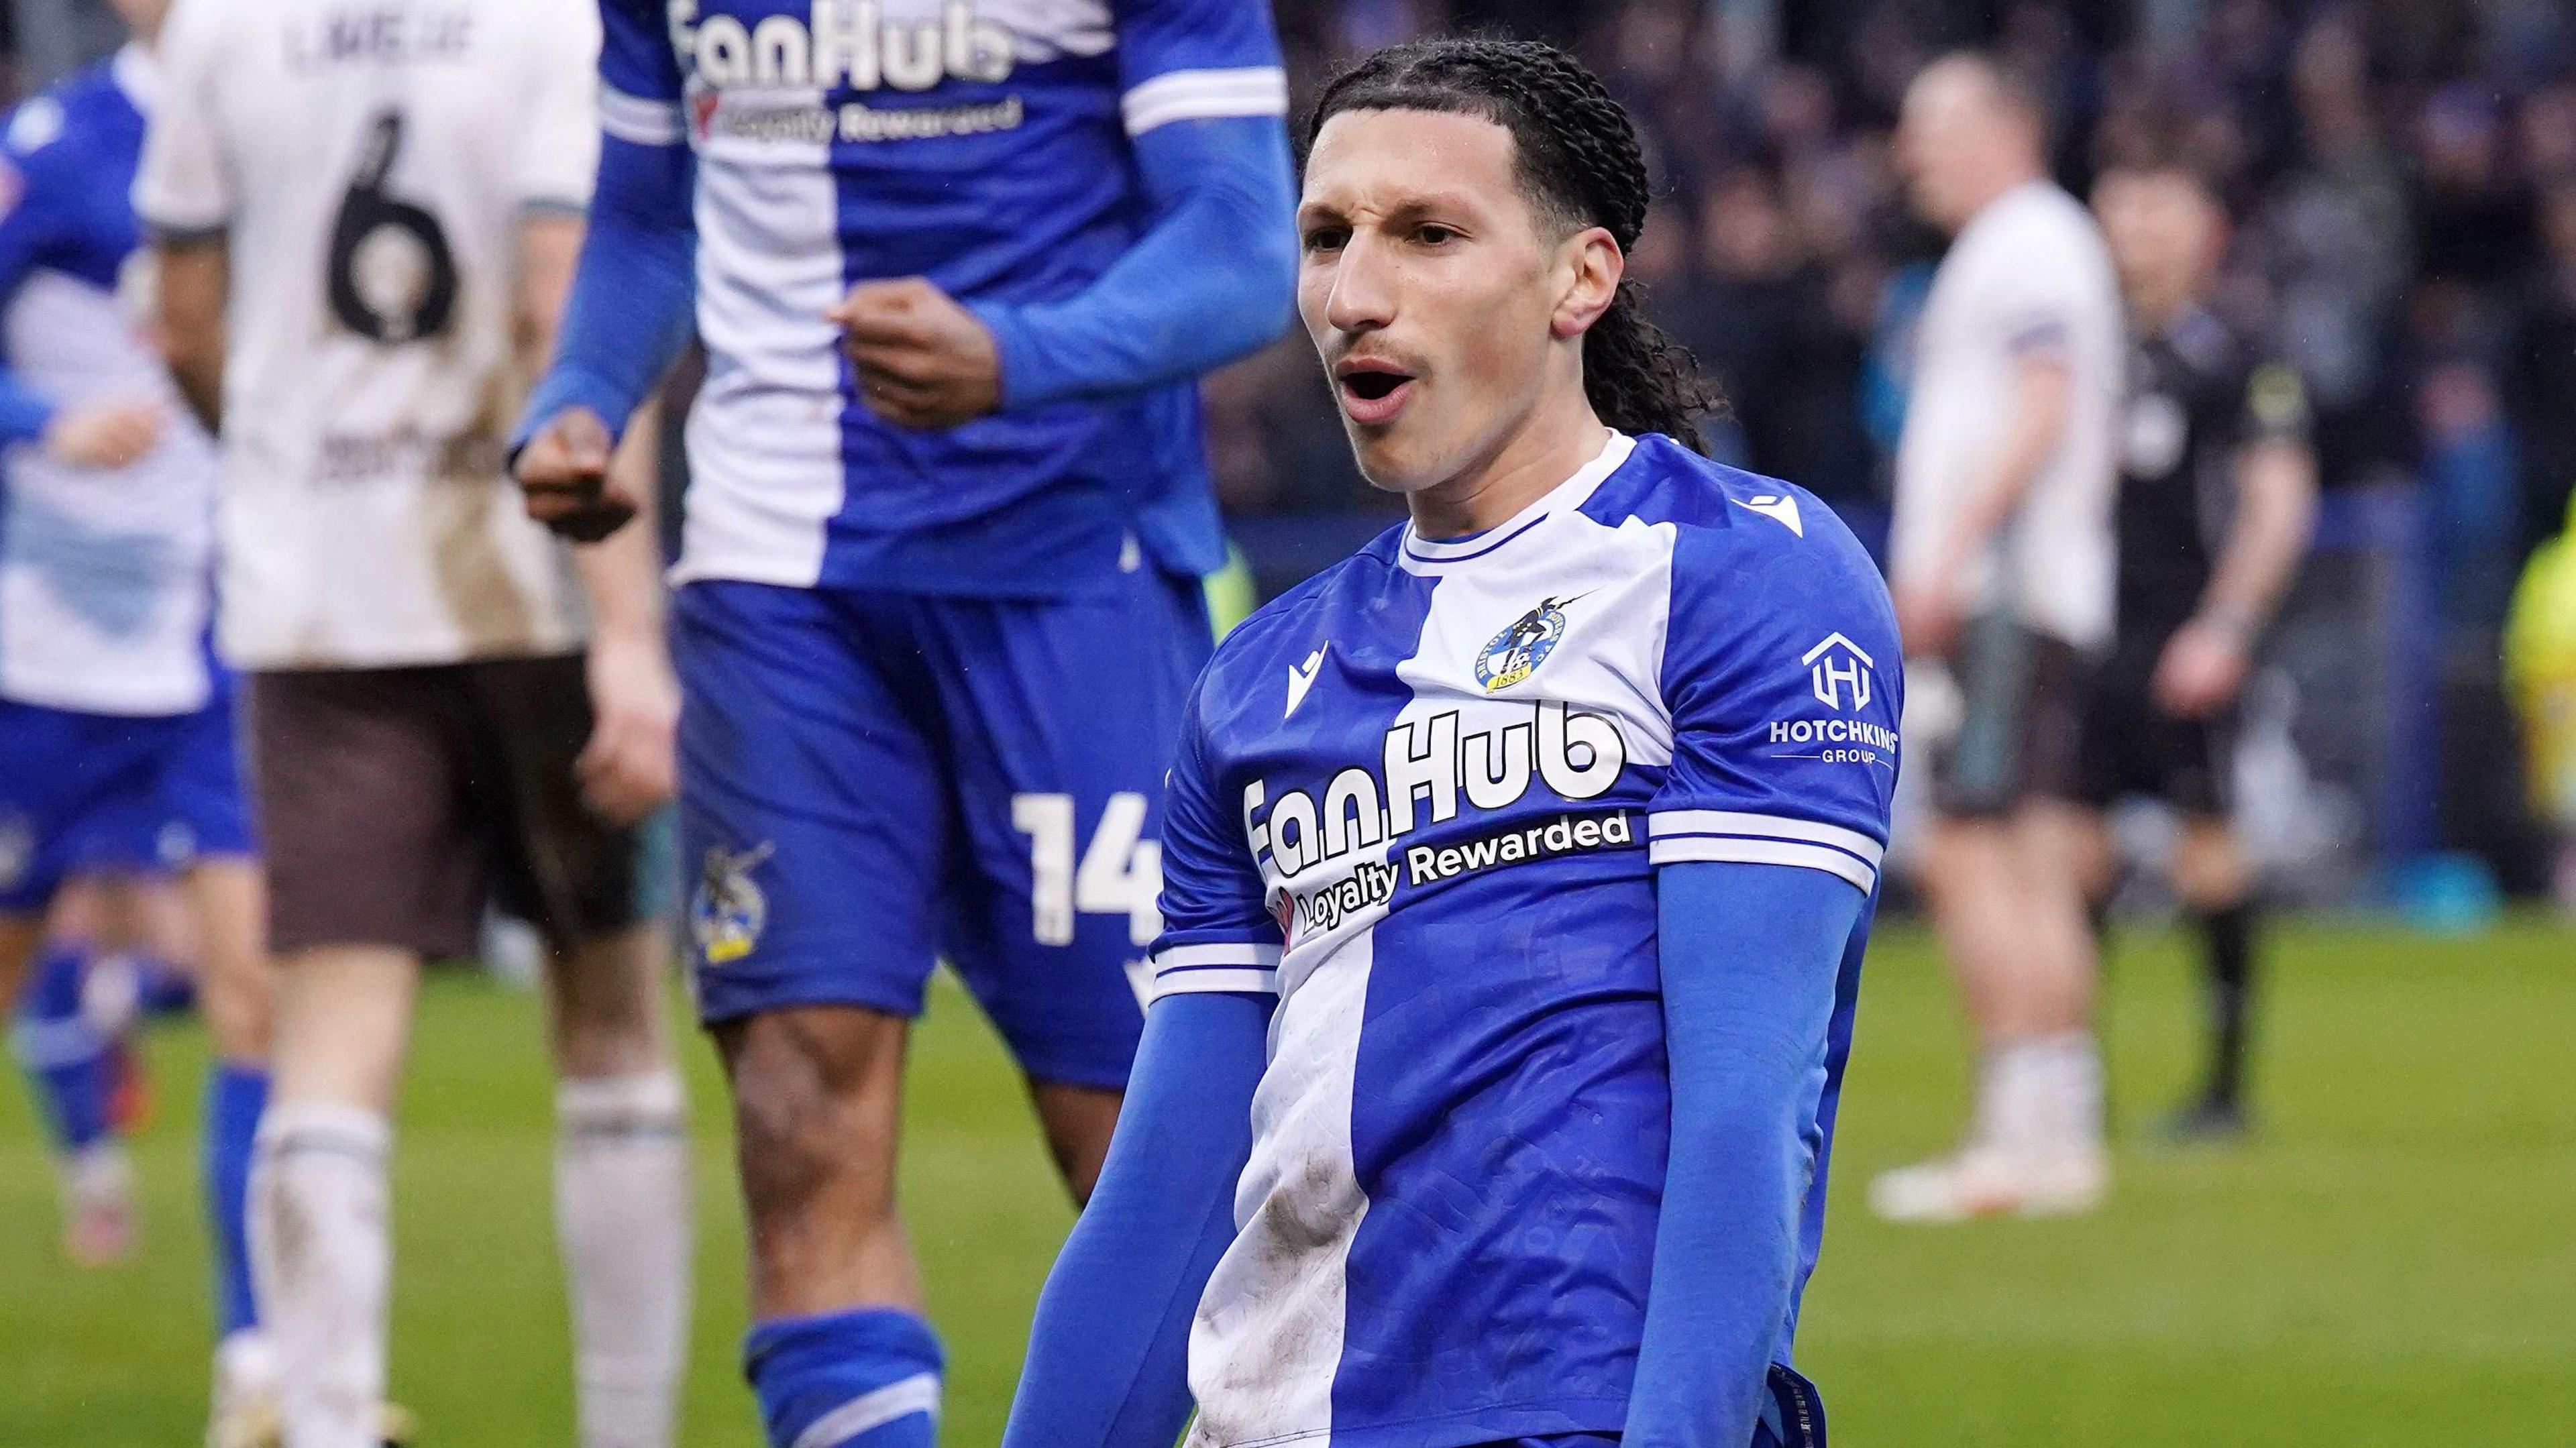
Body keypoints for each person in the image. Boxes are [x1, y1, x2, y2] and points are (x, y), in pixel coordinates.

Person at [1000, 38, 1898, 1448]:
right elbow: (1165, 1195)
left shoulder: (1741, 576)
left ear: (1579, 278)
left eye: (1428, 235)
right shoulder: (1257, 682)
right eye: (1325, 238)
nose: (1356, 293)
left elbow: (1747, 1115)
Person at [509, 0, 1297, 1442]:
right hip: (778, 589)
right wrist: (582, 393)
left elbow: (1249, 241)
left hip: (1075, 575)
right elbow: (642, 220)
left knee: (1148, 1155)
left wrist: (1020, 355)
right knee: (801, 1126)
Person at [133, 1, 692, 1444]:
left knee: (332, 1031)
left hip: (318, 593)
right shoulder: (549, 21)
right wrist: (630, 631)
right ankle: (622, 1433)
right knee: (614, 1022)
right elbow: (559, 298)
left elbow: (184, 321)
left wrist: (286, 453)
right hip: (539, 578)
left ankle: (321, 1420)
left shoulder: (221, 29)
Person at [0, 13, 280, 1437]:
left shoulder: (284, 118)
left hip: (220, 643)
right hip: (41, 652)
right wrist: (39, 415)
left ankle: (258, 1372)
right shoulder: (52, 154)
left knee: (257, 1000)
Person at [1873, 54, 2125, 1223]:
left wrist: (1949, 558)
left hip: (2002, 600)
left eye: (1932, 128)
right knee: (2025, 854)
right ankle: (2055, 1136)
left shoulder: (2024, 241)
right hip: (2031, 596)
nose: (1909, 153)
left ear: (2004, 128)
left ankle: (2018, 1144)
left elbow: (2041, 400)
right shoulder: (2036, 241)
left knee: (1977, 855)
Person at [2083, 161, 2316, 1139]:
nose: (2140, 228)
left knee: (2209, 853)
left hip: (2185, 638)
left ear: (2206, 225)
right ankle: (2065, 1088)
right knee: (2069, 858)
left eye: (2160, 204)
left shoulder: (2239, 354)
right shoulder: (2075, 346)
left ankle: (2224, 1093)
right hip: (2082, 636)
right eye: (2124, 205)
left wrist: (2225, 627)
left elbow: (2277, 499)